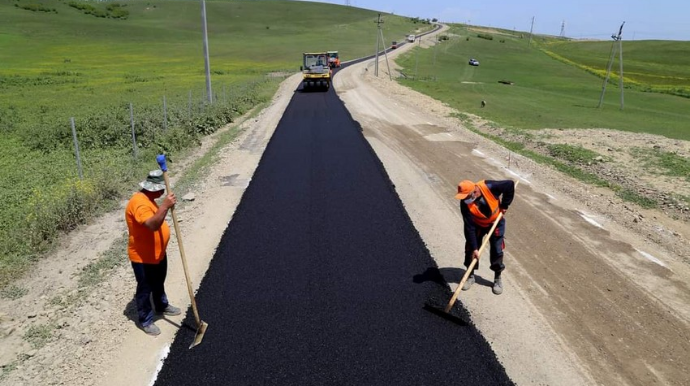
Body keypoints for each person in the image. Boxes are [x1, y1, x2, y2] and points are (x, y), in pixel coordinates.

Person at [125, 170, 181, 335]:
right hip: (144, 257)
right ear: (153, 188)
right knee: (145, 288)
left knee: (158, 281)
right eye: (161, 189)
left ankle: (161, 305)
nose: (163, 191)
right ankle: (146, 320)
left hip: (157, 254)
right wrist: (165, 206)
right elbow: (151, 225)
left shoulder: (148, 199)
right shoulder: (139, 203)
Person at [455, 179, 515, 295]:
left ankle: (497, 278)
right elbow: (469, 227)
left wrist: (505, 204)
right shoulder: (465, 203)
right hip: (477, 224)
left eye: (467, 196)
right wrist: (475, 248)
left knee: (497, 250)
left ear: (475, 191)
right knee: (470, 249)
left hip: (495, 222)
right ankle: (470, 275)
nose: (465, 199)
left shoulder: (490, 186)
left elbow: (510, 184)